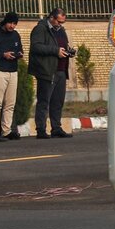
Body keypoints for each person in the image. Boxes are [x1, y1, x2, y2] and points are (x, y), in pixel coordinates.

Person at [30, 7, 73, 139]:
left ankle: (56, 127)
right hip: (47, 70)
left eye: (62, 23)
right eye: (58, 22)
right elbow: (36, 47)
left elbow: (63, 45)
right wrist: (55, 51)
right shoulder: (41, 29)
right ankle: (41, 129)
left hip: (61, 70)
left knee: (57, 101)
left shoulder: (61, 30)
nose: (60, 25)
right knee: (44, 101)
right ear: (52, 18)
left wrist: (68, 51)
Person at [0, 11, 24, 139]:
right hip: (0, 71)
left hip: (13, 71)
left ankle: (7, 130)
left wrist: (19, 54)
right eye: (10, 23)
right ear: (5, 21)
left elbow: (20, 49)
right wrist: (3, 55)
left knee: (10, 103)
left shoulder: (15, 35)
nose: (12, 26)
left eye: (14, 23)